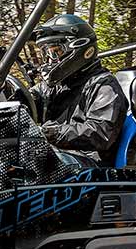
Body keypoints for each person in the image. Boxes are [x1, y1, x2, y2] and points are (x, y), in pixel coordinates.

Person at [29, 14, 127, 167]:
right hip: (60, 154)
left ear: (80, 47)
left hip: (90, 163)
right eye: (46, 54)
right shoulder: (52, 87)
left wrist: (50, 133)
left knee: (33, 161)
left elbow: (100, 132)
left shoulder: (104, 85)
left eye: (56, 52)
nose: (50, 60)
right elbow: (29, 100)